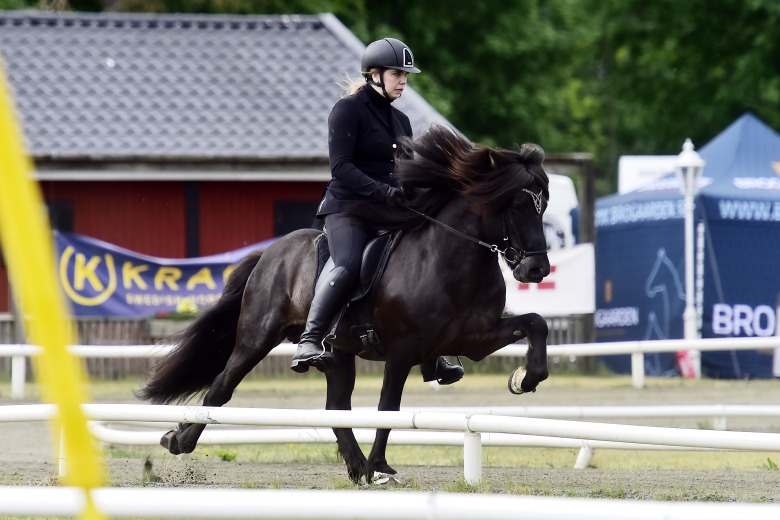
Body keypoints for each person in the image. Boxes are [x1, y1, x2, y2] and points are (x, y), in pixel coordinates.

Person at [290, 37, 464, 385]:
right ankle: (310, 338)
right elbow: (341, 167)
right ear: (374, 74)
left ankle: (434, 351)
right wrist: (383, 191)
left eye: (406, 75)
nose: (403, 80)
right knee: (348, 262)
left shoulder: (401, 121)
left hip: (388, 209)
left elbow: (405, 171)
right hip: (348, 208)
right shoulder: (347, 110)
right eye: (397, 73)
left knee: (428, 254)